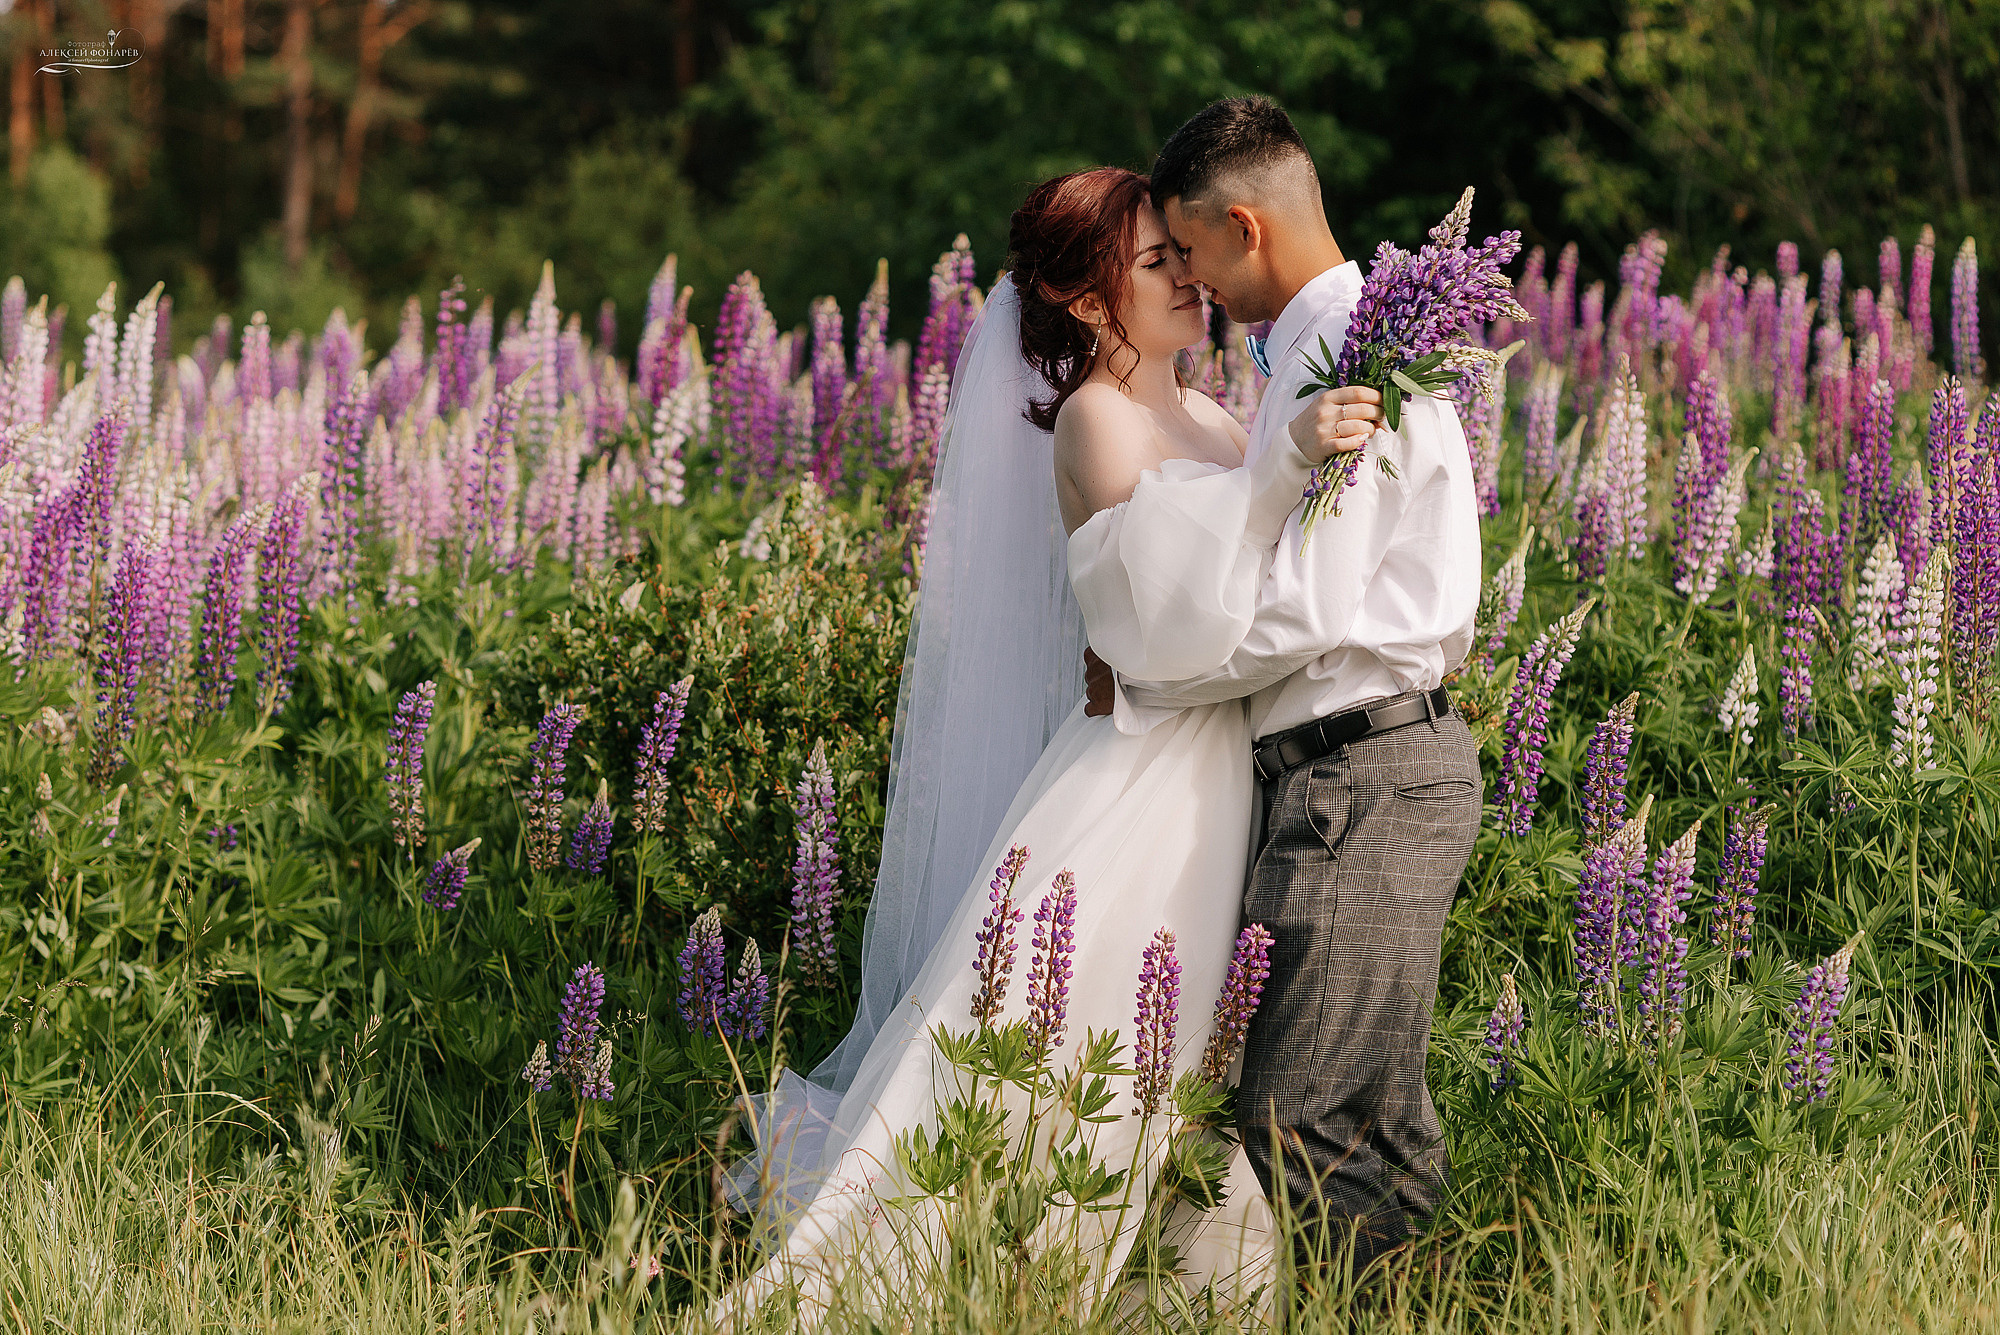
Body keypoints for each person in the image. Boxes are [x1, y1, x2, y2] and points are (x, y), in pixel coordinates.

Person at [719, 164, 1382, 1323]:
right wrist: (1281, 473)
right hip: (1142, 780)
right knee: (1085, 1048)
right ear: (1086, 302)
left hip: (1230, 771)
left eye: (1184, 256)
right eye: (1153, 263)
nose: (1187, 278)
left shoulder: (1220, 416)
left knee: (1192, 1063)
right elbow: (1163, 615)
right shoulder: (1094, 417)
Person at [1084, 96, 1485, 1283]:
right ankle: (1440, 1305)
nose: (1191, 282)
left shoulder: (1344, 350)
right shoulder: (1326, 347)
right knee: (1364, 1110)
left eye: (1190, 249)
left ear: (1243, 227)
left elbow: (1309, 608)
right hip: (1347, 772)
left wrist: (1158, 675)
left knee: (1304, 1110)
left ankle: (1398, 1309)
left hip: (1363, 771)